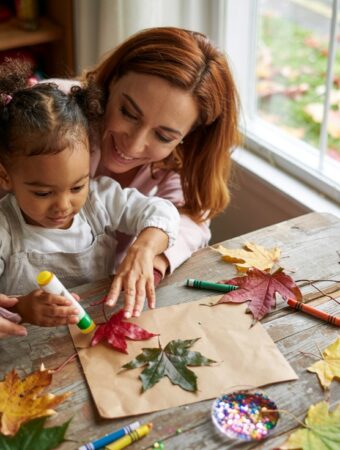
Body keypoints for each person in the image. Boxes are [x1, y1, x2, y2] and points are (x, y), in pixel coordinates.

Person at [0, 59, 180, 334]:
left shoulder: (100, 200)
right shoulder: (4, 229)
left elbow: (162, 212)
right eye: (43, 192)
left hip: (97, 333)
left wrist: (146, 245)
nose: (63, 205)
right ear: (5, 177)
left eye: (77, 187)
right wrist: (22, 308)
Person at [54, 26, 240, 281]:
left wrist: (154, 252)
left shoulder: (176, 159)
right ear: (112, 80)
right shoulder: (50, 111)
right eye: (128, 113)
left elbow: (191, 218)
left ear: (188, 136)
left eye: (163, 137)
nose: (133, 146)